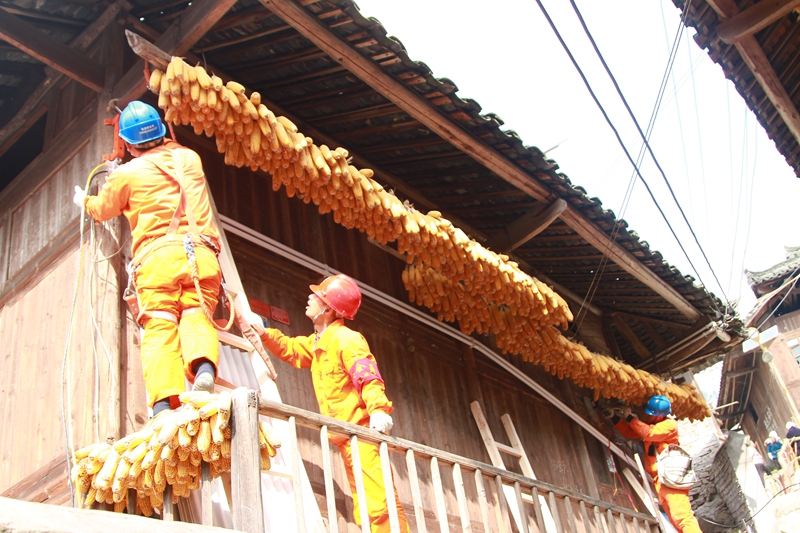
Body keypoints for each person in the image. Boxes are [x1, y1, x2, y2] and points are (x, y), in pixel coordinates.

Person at [73, 101, 222, 416]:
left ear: (126, 143)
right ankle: (204, 368)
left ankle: (163, 403)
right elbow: (172, 157)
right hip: (201, 254)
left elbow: (102, 210)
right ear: (163, 130)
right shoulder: (190, 159)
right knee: (197, 314)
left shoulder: (126, 174)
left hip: (157, 259)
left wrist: (84, 200)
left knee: (160, 325)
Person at [250, 274, 410, 533]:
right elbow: (293, 349)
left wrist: (379, 410)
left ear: (328, 309)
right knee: (366, 506)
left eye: (318, 295)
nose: (311, 297)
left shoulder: (347, 340)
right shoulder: (319, 343)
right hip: (347, 438)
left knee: (380, 506)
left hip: (364, 435)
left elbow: (367, 376)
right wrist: (264, 333)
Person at [611, 395, 702, 533]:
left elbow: (648, 433)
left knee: (682, 517)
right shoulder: (654, 427)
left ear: (659, 416)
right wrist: (614, 418)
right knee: (673, 519)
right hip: (660, 480)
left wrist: (630, 417)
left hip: (672, 480)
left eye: (649, 414)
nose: (646, 417)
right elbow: (631, 432)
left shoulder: (669, 426)